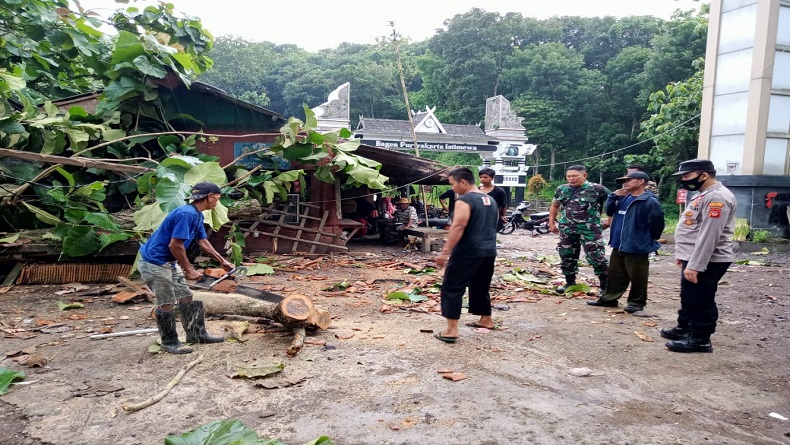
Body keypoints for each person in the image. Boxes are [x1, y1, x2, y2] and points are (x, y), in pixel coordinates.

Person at [138, 182, 234, 354]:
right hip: (155, 263)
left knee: (186, 297)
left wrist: (223, 261)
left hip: (169, 263)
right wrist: (189, 269)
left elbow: (202, 241)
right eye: (217, 198)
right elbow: (175, 245)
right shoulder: (186, 214)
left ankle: (197, 334)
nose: (217, 202)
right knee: (166, 303)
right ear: (210, 196)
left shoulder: (196, 214)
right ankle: (169, 342)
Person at [661, 159, 736, 353]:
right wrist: (684, 255)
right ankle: (684, 328)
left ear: (703, 175)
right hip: (694, 256)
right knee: (688, 295)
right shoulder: (704, 194)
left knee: (701, 297)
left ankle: (700, 338)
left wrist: (695, 265)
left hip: (709, 259)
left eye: (687, 176)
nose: (684, 180)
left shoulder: (717, 198)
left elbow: (709, 235)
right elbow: (691, 228)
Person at [434, 167, 499, 342]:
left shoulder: (464, 200)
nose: (453, 188)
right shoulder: (490, 200)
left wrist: (445, 252)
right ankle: (486, 319)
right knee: (480, 286)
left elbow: (458, 226)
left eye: (453, 184)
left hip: (467, 252)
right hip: (488, 251)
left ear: (463, 182)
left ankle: (451, 330)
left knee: (452, 287)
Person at [586, 171, 664, 313]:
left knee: (638, 276)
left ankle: (636, 304)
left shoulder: (649, 201)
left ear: (641, 181)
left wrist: (644, 239)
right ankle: (609, 299)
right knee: (615, 274)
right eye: (624, 181)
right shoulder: (623, 197)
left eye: (629, 180)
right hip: (618, 243)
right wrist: (613, 196)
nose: (625, 183)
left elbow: (657, 224)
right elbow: (609, 211)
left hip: (636, 245)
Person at [548, 165, 610, 293]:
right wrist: (552, 223)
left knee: (596, 256)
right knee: (566, 255)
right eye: (569, 176)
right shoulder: (562, 189)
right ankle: (570, 283)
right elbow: (554, 206)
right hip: (567, 229)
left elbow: (613, 204)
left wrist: (609, 221)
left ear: (585, 176)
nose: (571, 179)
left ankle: (605, 287)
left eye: (575, 176)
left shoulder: (597, 189)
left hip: (590, 229)